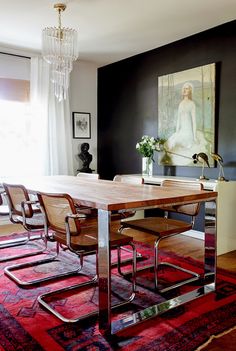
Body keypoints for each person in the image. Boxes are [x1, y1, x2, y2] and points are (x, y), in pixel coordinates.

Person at [167, 82, 198, 150]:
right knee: (171, 142)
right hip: (181, 130)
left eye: (186, 89)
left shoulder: (192, 104)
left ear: (190, 91)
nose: (184, 90)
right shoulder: (180, 104)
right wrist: (177, 132)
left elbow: (194, 121)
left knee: (181, 144)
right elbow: (178, 119)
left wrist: (194, 136)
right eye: (183, 88)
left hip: (188, 132)